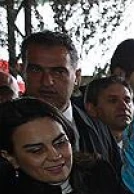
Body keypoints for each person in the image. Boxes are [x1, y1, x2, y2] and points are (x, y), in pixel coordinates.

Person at [21, 31, 121, 174]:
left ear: (77, 77)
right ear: (22, 71)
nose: (47, 81)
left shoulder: (99, 128)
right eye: (36, 70)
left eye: (58, 72)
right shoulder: (5, 125)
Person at [84, 75, 133, 147]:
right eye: (113, 100)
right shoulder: (84, 146)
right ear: (91, 108)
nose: (124, 106)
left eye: (127, 100)